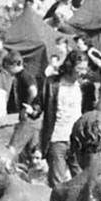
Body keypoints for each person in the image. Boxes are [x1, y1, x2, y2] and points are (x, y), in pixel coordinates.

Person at [39, 51, 90, 186]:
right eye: (79, 69)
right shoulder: (52, 83)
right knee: (57, 181)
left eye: (85, 68)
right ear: (70, 66)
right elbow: (39, 104)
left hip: (77, 140)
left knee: (81, 178)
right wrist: (32, 110)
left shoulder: (85, 86)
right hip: (57, 138)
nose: (83, 72)